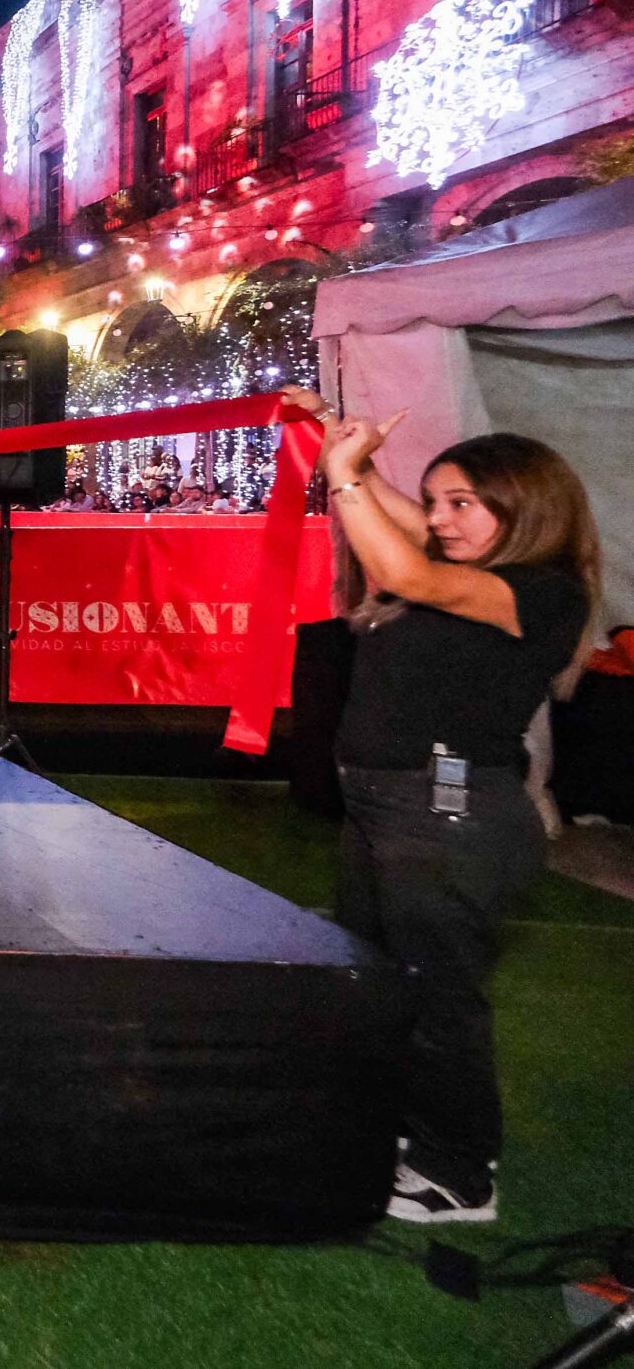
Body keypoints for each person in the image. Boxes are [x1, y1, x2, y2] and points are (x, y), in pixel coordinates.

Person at [308, 393, 599, 1227]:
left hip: (449, 815)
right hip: (386, 809)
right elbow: (415, 532)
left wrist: (343, 477)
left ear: (525, 508)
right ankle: (410, 1125)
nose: (437, 518)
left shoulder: (541, 592)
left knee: (438, 997)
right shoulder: (479, 571)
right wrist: (346, 448)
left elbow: (407, 571)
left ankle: (460, 1172)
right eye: (435, 500)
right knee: (379, 976)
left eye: (461, 502)